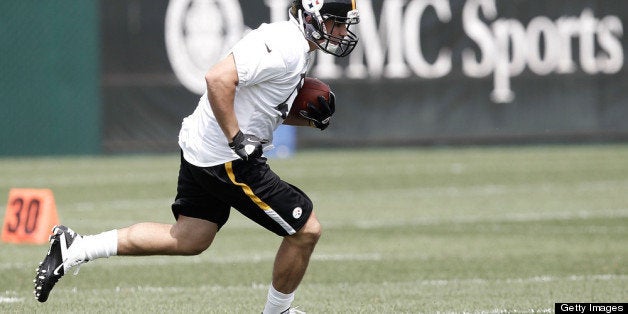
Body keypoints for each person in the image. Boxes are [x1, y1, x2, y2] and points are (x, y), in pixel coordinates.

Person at [33, 1, 360, 313]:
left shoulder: (296, 49)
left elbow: (262, 103)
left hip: (204, 147)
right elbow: (218, 79)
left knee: (191, 237)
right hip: (225, 156)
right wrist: (237, 139)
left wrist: (306, 115)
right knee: (306, 230)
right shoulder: (285, 44)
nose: (341, 32)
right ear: (313, 16)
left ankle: (75, 247)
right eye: (337, 22)